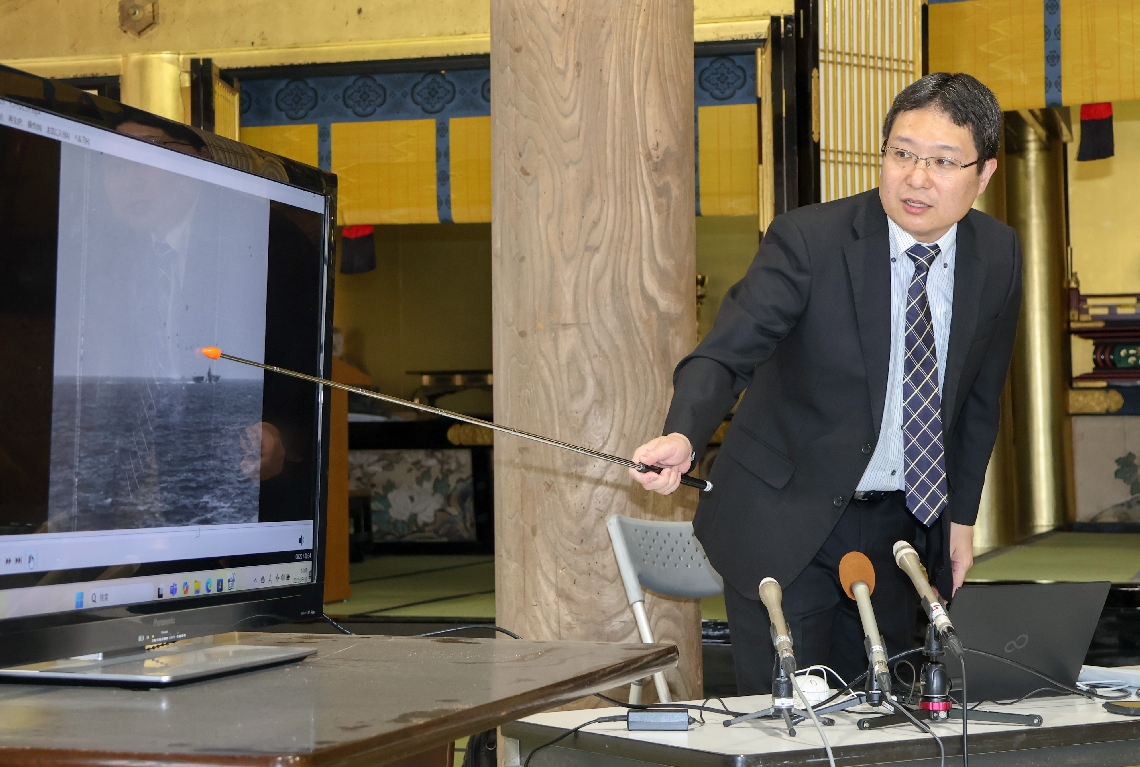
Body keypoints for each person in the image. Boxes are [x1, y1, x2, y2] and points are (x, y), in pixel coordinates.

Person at [629, 72, 1022, 692]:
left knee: (891, 720)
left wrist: (961, 519)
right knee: (788, 725)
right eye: (902, 154)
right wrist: (683, 432)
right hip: (787, 520)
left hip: (906, 529)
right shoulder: (810, 241)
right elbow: (725, 354)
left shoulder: (997, 254)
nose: (917, 178)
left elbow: (978, 400)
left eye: (943, 162)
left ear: (985, 172)